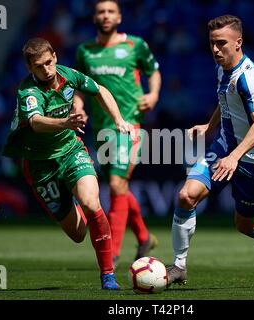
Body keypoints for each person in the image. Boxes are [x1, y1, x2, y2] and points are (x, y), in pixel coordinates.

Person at [167, 15, 254, 285]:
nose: (216, 49)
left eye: (221, 43)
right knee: (186, 196)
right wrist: (210, 125)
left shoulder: (249, 77)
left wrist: (235, 157)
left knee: (245, 225)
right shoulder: (222, 68)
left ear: (238, 42)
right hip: (223, 149)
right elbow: (226, 101)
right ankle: (179, 265)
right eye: (212, 44)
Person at [2, 37, 135, 290]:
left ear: (56, 57)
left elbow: (101, 90)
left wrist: (118, 119)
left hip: (71, 150)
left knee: (91, 203)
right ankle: (74, 202)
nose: (47, 70)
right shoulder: (27, 91)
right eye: (39, 66)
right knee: (77, 234)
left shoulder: (68, 75)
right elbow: (36, 122)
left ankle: (107, 276)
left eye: (49, 62)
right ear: (30, 68)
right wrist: (65, 122)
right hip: (40, 165)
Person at [74, 0, 161, 269]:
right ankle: (145, 238)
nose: (106, 15)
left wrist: (153, 94)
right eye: (101, 11)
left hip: (130, 125)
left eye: (111, 11)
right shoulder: (85, 51)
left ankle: (112, 252)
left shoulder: (135, 45)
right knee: (120, 187)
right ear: (94, 17)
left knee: (114, 186)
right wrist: (78, 106)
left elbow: (153, 71)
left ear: (120, 17)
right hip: (101, 131)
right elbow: (78, 85)